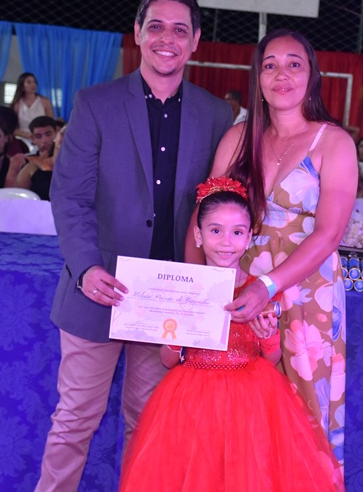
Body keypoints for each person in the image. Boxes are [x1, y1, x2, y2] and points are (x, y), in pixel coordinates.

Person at [35, 0, 233, 491]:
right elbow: (70, 196)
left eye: (180, 30)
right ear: (138, 33)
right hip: (99, 287)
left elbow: (221, 204)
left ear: (196, 41)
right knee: (74, 421)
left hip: (169, 299)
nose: (168, 38)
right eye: (156, 26)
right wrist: (86, 267)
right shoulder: (95, 104)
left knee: (149, 426)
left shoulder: (216, 115)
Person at [188, 29, 357, 467]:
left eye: (294, 64)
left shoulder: (333, 142)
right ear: (257, 78)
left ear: (312, 75)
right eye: (270, 65)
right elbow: (202, 218)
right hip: (237, 288)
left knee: (305, 411)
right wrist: (197, 291)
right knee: (236, 409)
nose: (282, 74)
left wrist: (267, 286)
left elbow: (329, 233)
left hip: (307, 292)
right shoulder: (237, 138)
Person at [120, 178, 343, 491]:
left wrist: (267, 336)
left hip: (249, 402)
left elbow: (271, 358)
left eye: (237, 232)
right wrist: (177, 336)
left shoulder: (259, 291)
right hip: (190, 400)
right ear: (198, 235)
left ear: (249, 237)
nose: (226, 241)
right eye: (215, 230)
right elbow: (168, 360)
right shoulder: (184, 289)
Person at [16, 116, 60, 200]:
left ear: (56, 134)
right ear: (32, 139)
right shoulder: (27, 160)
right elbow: (20, 193)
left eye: (48, 134)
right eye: (38, 136)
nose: (44, 140)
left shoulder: (68, 159)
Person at [10, 72, 55, 139]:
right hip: (22, 138)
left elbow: (51, 124)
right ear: (22, 86)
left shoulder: (45, 101)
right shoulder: (17, 104)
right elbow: (12, 128)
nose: (33, 85)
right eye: (29, 82)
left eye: (34, 82)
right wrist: (26, 135)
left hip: (41, 138)